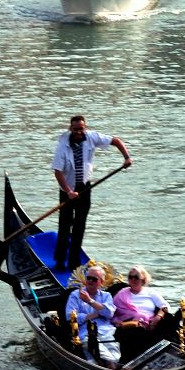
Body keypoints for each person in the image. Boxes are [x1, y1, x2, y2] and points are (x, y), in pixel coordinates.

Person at [51, 116, 132, 273]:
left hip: (85, 189)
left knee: (80, 225)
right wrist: (68, 192)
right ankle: (60, 260)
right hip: (66, 190)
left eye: (81, 129)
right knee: (65, 225)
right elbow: (58, 172)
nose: (79, 132)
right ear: (70, 129)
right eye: (75, 129)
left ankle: (74, 262)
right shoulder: (63, 145)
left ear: (84, 128)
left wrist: (126, 157)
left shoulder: (91, 137)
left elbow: (115, 141)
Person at [112, 265, 179, 363]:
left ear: (143, 279)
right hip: (129, 325)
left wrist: (158, 318)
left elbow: (165, 306)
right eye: (130, 277)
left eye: (136, 277)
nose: (133, 279)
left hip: (150, 324)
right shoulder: (122, 293)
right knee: (136, 330)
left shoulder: (150, 292)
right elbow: (112, 311)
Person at [65, 265, 119, 366]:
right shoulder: (75, 295)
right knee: (105, 358)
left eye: (94, 279)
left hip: (105, 332)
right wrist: (94, 314)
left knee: (115, 356)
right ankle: (110, 365)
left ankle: (110, 364)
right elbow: (70, 316)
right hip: (85, 333)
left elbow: (109, 313)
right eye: (88, 278)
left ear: (101, 282)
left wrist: (89, 301)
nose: (90, 281)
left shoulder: (106, 296)